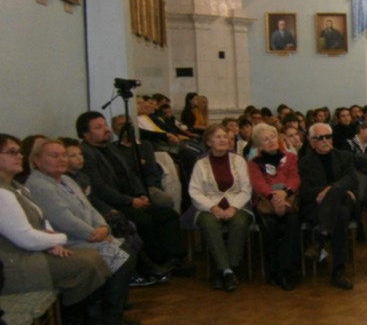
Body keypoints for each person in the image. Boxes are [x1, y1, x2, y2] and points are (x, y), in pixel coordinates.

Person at [0, 133, 115, 325]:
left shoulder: (15, 186)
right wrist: (58, 239)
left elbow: (43, 221)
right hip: (16, 262)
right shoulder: (3, 193)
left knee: (96, 258)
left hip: (33, 250)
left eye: (19, 151)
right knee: (85, 264)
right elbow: (25, 237)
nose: (18, 156)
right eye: (11, 152)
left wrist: (51, 240)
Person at [25, 137, 140, 325]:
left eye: (63, 155)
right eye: (54, 156)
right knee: (123, 257)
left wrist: (103, 227)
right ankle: (105, 319)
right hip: (70, 241)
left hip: (91, 236)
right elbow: (63, 219)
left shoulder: (67, 180)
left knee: (128, 250)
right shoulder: (39, 185)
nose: (61, 159)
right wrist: (93, 234)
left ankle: (111, 315)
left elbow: (90, 208)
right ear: (36, 161)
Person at [76, 111, 189, 270]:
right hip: (113, 204)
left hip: (131, 198)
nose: (105, 129)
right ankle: (157, 260)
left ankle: (175, 257)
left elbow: (131, 174)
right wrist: (130, 201)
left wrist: (141, 194)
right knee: (143, 220)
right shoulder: (87, 153)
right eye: (98, 127)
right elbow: (100, 187)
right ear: (85, 133)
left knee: (168, 215)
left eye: (105, 125)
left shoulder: (111, 148)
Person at [188, 124, 254, 292]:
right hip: (209, 207)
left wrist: (233, 207)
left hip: (237, 205)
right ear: (209, 142)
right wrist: (212, 208)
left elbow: (246, 189)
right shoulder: (200, 164)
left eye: (225, 136)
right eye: (218, 137)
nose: (223, 139)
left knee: (239, 224)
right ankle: (228, 271)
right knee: (209, 225)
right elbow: (195, 191)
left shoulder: (238, 160)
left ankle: (224, 271)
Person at [299, 123, 358, 290]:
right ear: (311, 141)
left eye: (328, 137)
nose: (325, 141)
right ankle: (339, 270)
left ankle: (319, 241)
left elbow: (353, 180)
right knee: (341, 213)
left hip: (341, 201)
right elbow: (306, 192)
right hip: (317, 208)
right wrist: (332, 190)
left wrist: (330, 190)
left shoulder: (345, 156)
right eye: (320, 138)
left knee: (339, 199)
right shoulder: (304, 163)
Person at [247, 124, 301, 290]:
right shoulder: (254, 163)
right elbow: (258, 184)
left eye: (272, 137)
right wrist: (274, 198)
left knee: (292, 223)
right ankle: (273, 270)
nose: (270, 141)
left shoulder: (290, 157)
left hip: (289, 199)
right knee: (270, 226)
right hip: (266, 201)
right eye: (265, 139)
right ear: (258, 145)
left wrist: (284, 194)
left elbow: (295, 178)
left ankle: (286, 271)